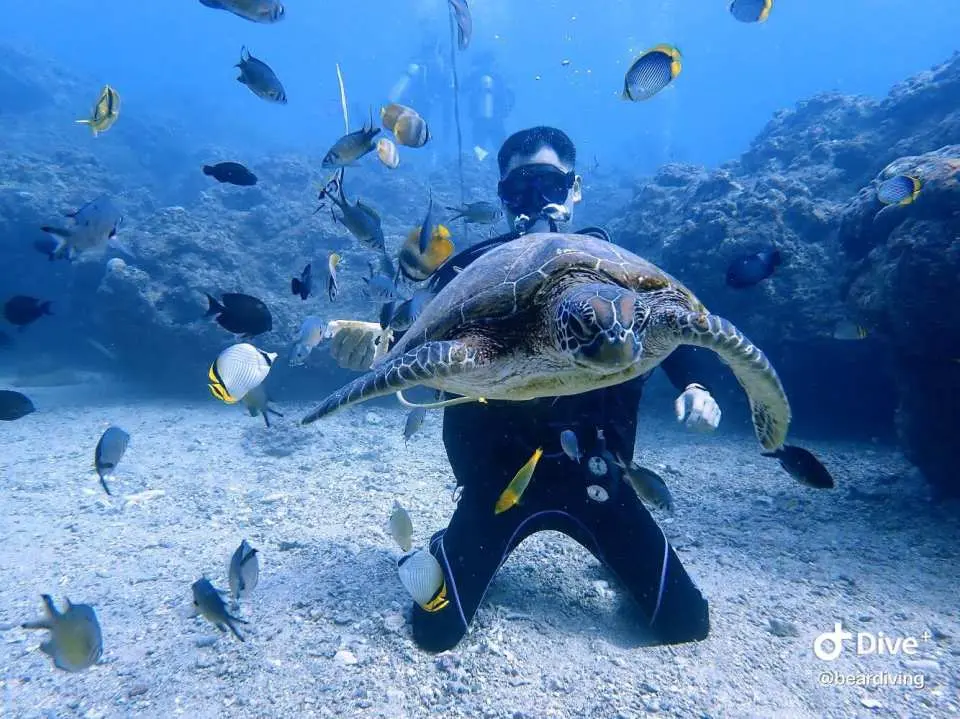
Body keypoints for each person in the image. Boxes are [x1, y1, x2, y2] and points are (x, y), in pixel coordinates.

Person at [324, 127, 719, 652]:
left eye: (550, 184)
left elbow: (672, 320)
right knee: (435, 631)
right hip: (496, 482)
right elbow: (421, 333)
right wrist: (382, 347)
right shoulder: (469, 271)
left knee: (685, 624)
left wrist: (694, 382)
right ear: (502, 197)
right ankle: (453, 542)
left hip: (598, 476)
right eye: (520, 190)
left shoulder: (621, 271)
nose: (535, 201)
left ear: (575, 189)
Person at [463, 51, 515, 161]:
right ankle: (502, 168)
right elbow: (506, 95)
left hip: (479, 119)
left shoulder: (475, 76)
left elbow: (462, 88)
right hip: (496, 119)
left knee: (478, 147)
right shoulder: (497, 77)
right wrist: (505, 111)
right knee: (502, 147)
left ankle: (479, 168)